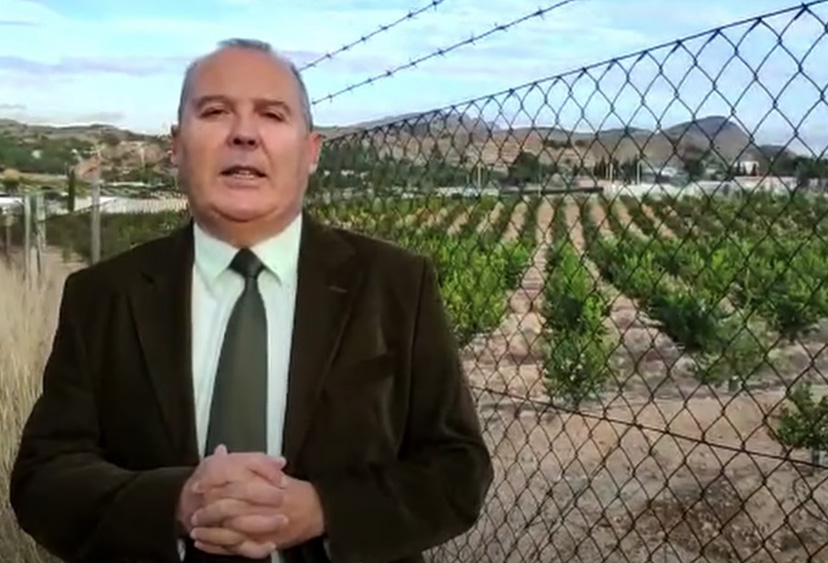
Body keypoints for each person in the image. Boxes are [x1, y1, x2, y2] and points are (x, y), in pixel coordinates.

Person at [8, 38, 494, 563]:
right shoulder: (103, 296)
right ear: (176, 147)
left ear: (311, 151)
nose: (243, 133)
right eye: (215, 111)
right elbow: (45, 477)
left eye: (272, 114)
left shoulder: (396, 285)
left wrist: (327, 510)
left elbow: (458, 468)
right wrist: (174, 503)